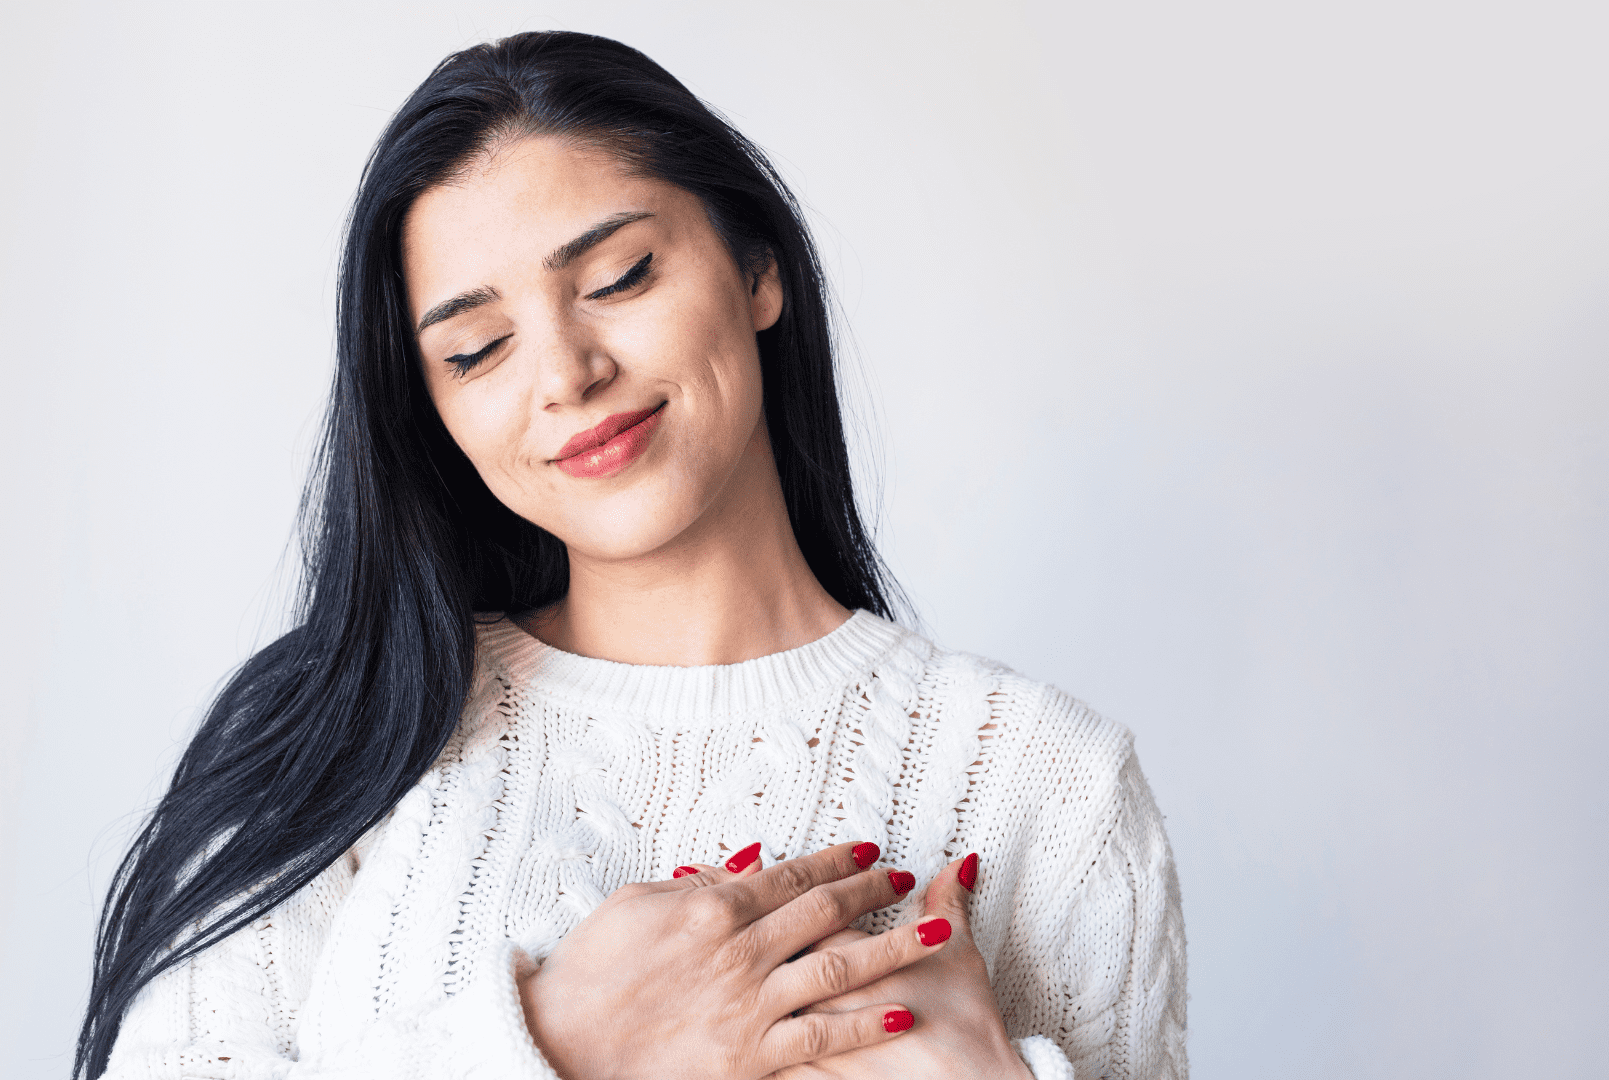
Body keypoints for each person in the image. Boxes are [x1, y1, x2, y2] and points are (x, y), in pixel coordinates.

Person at [77, 30, 1186, 1080]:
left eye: (618, 277)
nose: (564, 373)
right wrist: (560, 1040)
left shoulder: (1052, 787)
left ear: (758, 272)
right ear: (432, 417)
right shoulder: (331, 741)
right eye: (478, 349)